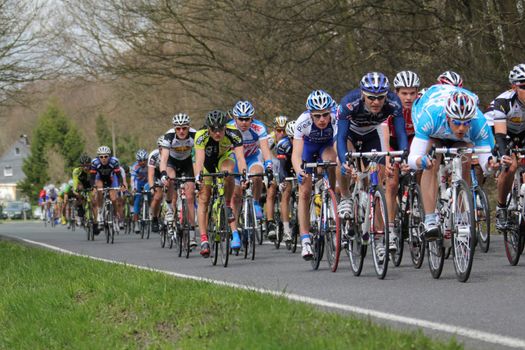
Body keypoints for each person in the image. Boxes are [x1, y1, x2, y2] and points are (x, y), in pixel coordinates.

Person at [408, 84, 495, 240]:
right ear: (448, 117)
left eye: (466, 123)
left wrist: (491, 165)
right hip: (433, 127)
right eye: (457, 122)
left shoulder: (478, 122)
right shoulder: (430, 116)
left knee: (466, 159)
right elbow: (412, 159)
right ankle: (430, 220)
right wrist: (422, 160)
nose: (461, 128)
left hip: (457, 134)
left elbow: (486, 161)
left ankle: (462, 217)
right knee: (432, 161)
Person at [337, 72, 408, 253]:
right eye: (371, 98)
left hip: (371, 135)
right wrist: (345, 160)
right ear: (362, 94)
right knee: (344, 161)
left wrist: (403, 156)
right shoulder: (349, 102)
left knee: (377, 183)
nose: (376, 102)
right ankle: (346, 198)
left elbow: (400, 133)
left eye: (380, 98)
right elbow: (341, 137)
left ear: (387, 95)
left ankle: (378, 236)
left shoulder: (393, 102)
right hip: (350, 135)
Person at [194, 110, 247, 257]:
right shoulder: (200, 135)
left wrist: (244, 175)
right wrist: (198, 177)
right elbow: (198, 160)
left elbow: (241, 158)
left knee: (228, 172)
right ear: (208, 128)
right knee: (204, 197)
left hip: (224, 158)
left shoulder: (234, 133)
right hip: (207, 163)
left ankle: (228, 204)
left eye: (221, 129)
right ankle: (204, 239)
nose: (218, 133)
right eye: (214, 130)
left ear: (225, 127)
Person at [292, 90, 338, 260]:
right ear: (310, 114)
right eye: (317, 115)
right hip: (308, 149)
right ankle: (305, 239)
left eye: (325, 115)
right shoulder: (302, 122)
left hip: (326, 147)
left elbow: (337, 146)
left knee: (331, 161)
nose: (322, 119)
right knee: (304, 191)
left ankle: (332, 195)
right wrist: (298, 170)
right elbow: (296, 154)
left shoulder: (336, 118)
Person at [484, 63, 525, 229]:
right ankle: (501, 207)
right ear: (514, 87)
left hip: (522, 132)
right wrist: (503, 155)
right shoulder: (503, 101)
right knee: (511, 164)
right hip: (501, 131)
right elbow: (500, 135)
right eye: (524, 86)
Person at [228, 100, 273, 243]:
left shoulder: (258, 127)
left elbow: (265, 150)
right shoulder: (229, 128)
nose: (244, 122)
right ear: (235, 118)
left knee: (258, 175)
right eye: (240, 119)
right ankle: (234, 234)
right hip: (235, 161)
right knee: (235, 196)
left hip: (252, 157)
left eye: (247, 119)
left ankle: (255, 203)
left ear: (251, 118)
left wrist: (269, 166)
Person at [159, 113, 197, 240]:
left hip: (187, 163)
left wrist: (198, 175)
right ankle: (169, 208)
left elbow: (199, 157)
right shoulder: (169, 135)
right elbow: (164, 158)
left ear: (189, 127)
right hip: (172, 162)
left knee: (190, 195)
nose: (181, 131)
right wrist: (163, 174)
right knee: (169, 180)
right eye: (178, 128)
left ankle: (192, 232)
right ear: (174, 128)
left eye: (184, 128)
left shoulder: (194, 135)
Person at [265, 115, 288, 240]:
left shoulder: (290, 137)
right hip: (272, 163)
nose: (282, 133)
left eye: (284, 130)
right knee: (272, 189)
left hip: (284, 163)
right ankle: (270, 223)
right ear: (274, 130)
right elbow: (265, 155)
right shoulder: (270, 139)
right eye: (279, 130)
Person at [90, 145, 123, 231]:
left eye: (106, 156)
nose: (103, 158)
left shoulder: (114, 161)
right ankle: (100, 211)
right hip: (99, 179)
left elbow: (119, 175)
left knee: (114, 198)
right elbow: (92, 177)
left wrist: (121, 185)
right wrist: (93, 187)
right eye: (101, 156)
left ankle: (115, 218)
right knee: (99, 187)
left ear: (109, 156)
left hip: (111, 180)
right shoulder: (95, 162)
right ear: (98, 157)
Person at [276, 120, 296, 243]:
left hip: (299, 164)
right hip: (286, 167)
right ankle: (286, 228)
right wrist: (282, 180)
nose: (294, 140)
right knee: (286, 192)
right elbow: (281, 167)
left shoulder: (305, 142)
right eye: (292, 138)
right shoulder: (283, 145)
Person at [131, 149, 150, 233]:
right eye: (140, 161)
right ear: (137, 161)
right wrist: (133, 189)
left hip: (147, 183)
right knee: (137, 202)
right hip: (138, 184)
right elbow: (133, 179)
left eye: (144, 160)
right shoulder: (135, 166)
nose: (142, 162)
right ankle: (136, 224)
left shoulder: (150, 165)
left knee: (152, 196)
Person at [72, 154, 94, 226]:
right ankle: (79, 210)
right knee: (79, 193)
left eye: (87, 165)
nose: (86, 167)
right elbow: (75, 182)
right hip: (81, 184)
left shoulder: (93, 169)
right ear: (80, 166)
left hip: (91, 184)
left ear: (90, 164)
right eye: (83, 165)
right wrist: (76, 190)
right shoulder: (76, 171)